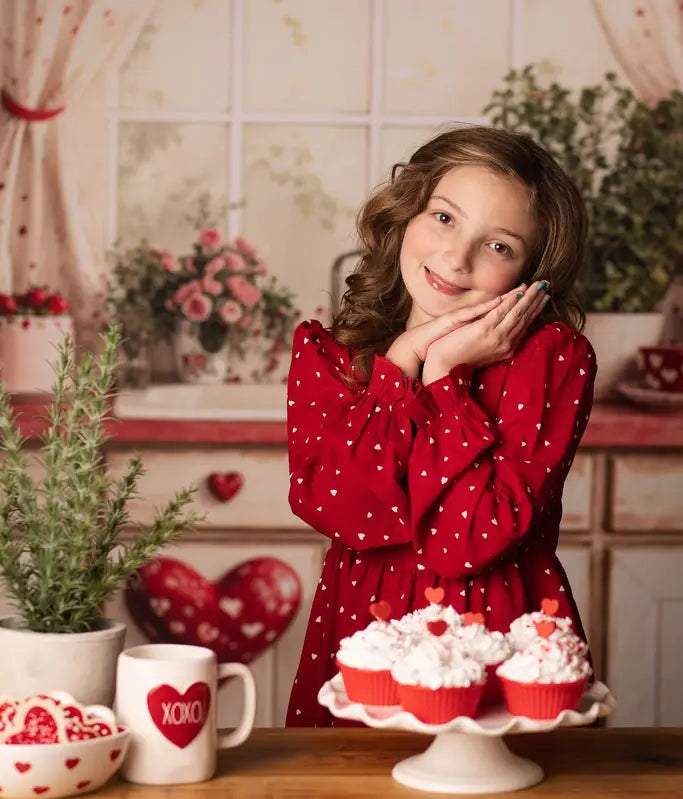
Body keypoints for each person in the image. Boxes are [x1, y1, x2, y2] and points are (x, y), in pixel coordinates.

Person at [284, 125, 596, 726]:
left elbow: (469, 539)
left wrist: (445, 376)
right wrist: (400, 362)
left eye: (499, 246)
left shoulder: (550, 359)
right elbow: (339, 509)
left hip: (497, 635)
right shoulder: (330, 357)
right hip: (361, 630)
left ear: (533, 275)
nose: (456, 258)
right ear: (405, 215)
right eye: (445, 218)